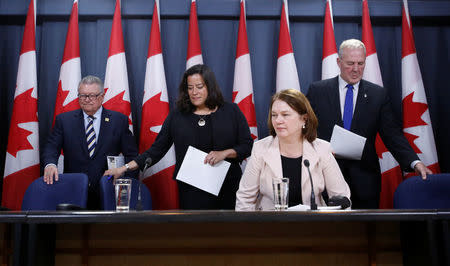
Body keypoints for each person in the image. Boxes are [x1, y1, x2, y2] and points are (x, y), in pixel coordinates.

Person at [105, 64, 253, 210]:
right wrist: (123, 168)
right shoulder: (178, 115)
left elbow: (247, 146)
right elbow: (156, 151)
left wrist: (225, 153)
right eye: (190, 87)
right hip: (192, 191)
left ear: (210, 87)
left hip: (227, 187)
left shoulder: (230, 111)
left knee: (227, 233)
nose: (194, 92)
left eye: (199, 86)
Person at [306, 39, 432, 209]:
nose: (356, 69)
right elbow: (305, 129)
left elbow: (392, 134)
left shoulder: (378, 95)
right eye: (350, 63)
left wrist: (414, 162)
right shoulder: (318, 91)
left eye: (361, 63)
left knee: (366, 232)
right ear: (339, 62)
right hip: (325, 176)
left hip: (365, 180)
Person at [235, 89, 351, 211]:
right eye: (274, 115)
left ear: (304, 119)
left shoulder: (322, 149)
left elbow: (341, 198)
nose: (278, 120)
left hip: (313, 225)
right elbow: (244, 199)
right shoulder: (260, 149)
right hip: (270, 225)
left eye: (285, 115)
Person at [42, 75, 138, 209]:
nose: (87, 100)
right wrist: (50, 164)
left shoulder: (119, 121)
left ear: (102, 96)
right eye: (82, 96)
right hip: (74, 190)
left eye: (92, 96)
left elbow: (131, 155)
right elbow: (51, 147)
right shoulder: (64, 121)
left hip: (108, 190)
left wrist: (124, 183)